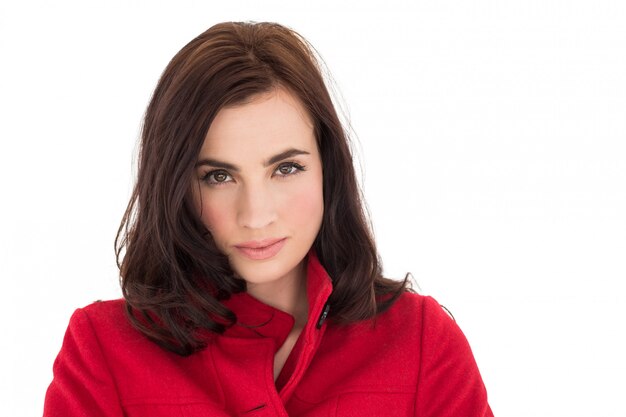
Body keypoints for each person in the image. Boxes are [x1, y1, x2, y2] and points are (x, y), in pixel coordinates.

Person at [43, 21, 493, 416]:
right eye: (219, 176)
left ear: (328, 169)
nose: (256, 216)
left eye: (285, 168)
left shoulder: (419, 341)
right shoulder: (103, 349)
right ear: (177, 187)